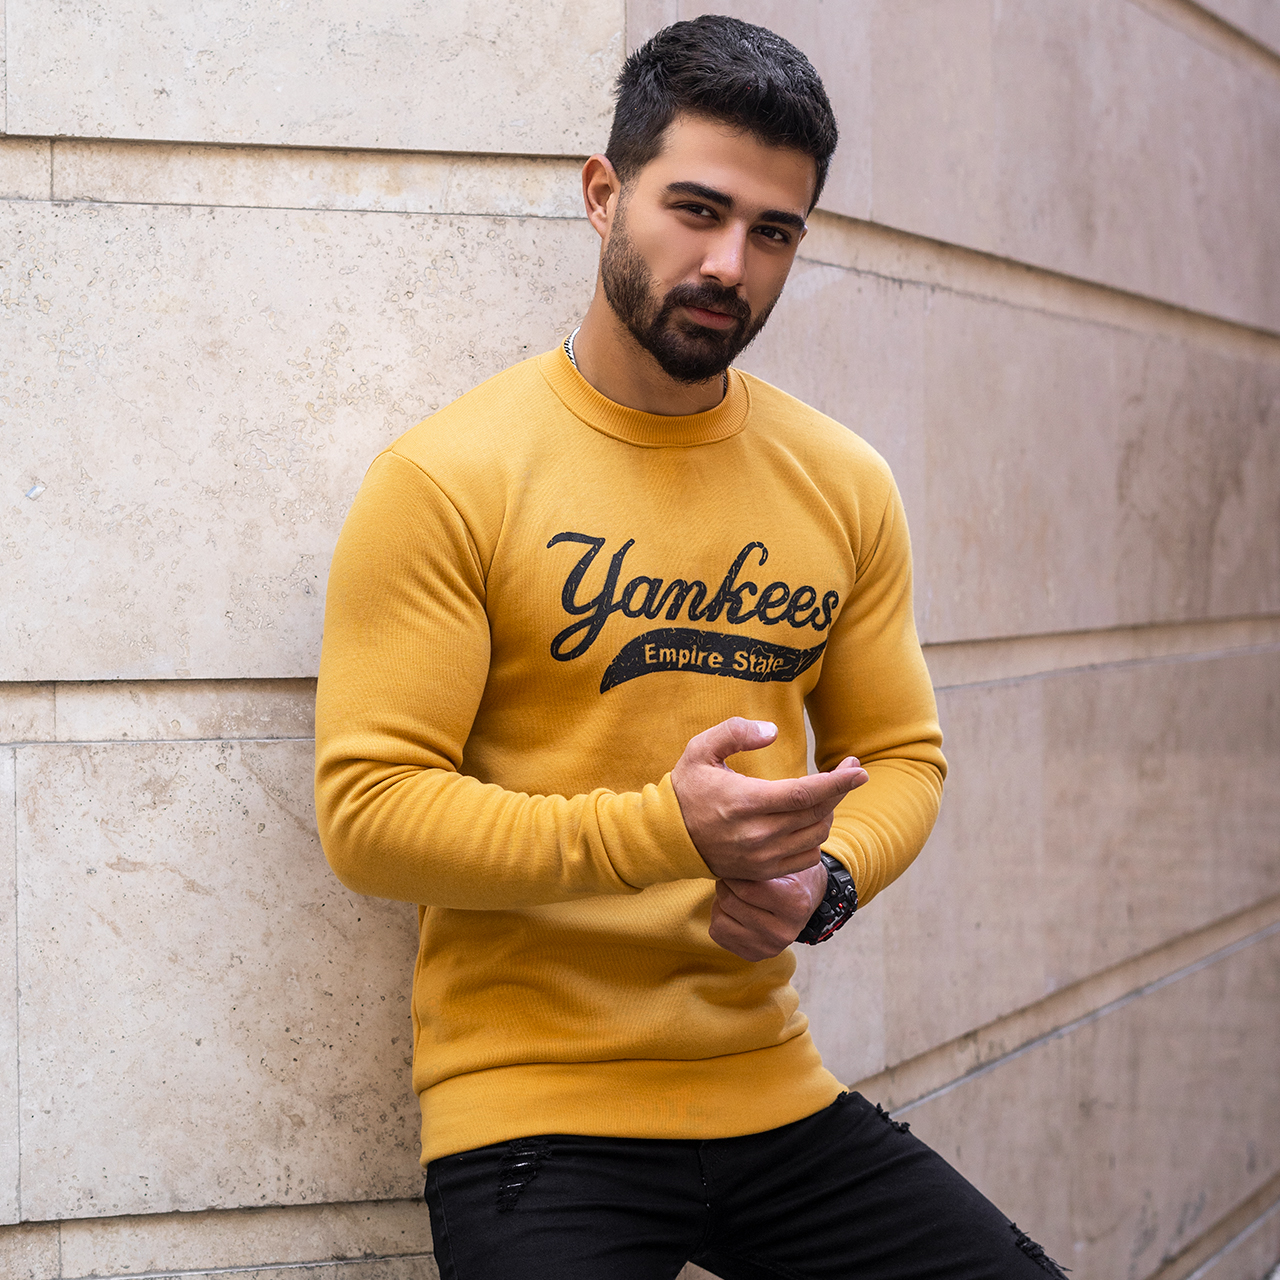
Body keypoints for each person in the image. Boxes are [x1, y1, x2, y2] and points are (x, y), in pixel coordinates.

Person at [315, 16, 1066, 1280]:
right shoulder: (448, 479)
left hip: (769, 1087)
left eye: (772, 232)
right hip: (535, 1112)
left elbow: (903, 755)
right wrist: (669, 831)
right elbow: (369, 814)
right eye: (697, 210)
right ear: (603, 194)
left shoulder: (840, 480)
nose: (729, 263)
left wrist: (823, 880)